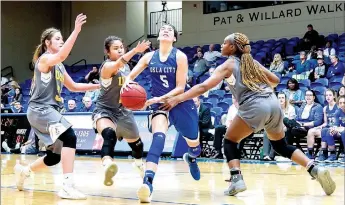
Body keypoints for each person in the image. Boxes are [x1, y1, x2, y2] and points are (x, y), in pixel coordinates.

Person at [161, 32, 336, 196]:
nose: (221, 45)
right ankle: (314, 168)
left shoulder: (228, 64)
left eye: (224, 43)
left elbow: (203, 87)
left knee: (229, 140)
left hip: (254, 105)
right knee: (280, 145)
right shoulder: (251, 62)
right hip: (273, 104)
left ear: (232, 47)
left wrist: (178, 99)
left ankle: (236, 179)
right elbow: (275, 81)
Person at [14, 14, 100, 200]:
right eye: (58, 38)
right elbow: (62, 54)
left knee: (55, 157)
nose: (61, 41)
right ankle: (68, 186)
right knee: (70, 136)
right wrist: (76, 30)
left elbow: (74, 87)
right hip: (40, 109)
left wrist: (98, 86)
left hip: (47, 111)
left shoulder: (59, 65)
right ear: (47, 43)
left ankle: (24, 171)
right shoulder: (44, 60)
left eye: (62, 38)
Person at [122, 24, 201, 203]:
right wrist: (127, 82)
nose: (165, 30)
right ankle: (148, 183)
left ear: (174, 38)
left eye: (170, 30)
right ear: (158, 36)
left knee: (194, 145)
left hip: (180, 101)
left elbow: (181, 87)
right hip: (160, 105)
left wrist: (159, 99)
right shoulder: (149, 57)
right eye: (163, 29)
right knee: (159, 137)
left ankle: (191, 158)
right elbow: (130, 76)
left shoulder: (180, 57)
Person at [91, 36, 150, 186]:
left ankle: (138, 164)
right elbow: (119, 62)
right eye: (115, 48)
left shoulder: (126, 68)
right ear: (107, 52)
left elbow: (128, 80)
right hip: (105, 110)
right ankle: (108, 165)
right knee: (109, 135)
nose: (120, 50)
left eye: (121, 47)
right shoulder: (107, 67)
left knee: (138, 146)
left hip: (123, 111)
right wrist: (136, 50)